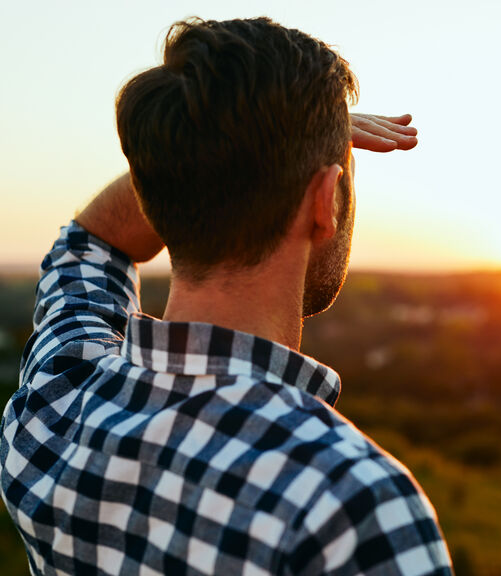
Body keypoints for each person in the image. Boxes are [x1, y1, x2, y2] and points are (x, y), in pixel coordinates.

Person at [0, 16, 453, 575]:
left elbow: (90, 238)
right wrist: (280, 151)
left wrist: (244, 157)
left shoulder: (53, 401)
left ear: (160, 190)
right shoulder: (350, 505)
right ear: (324, 199)